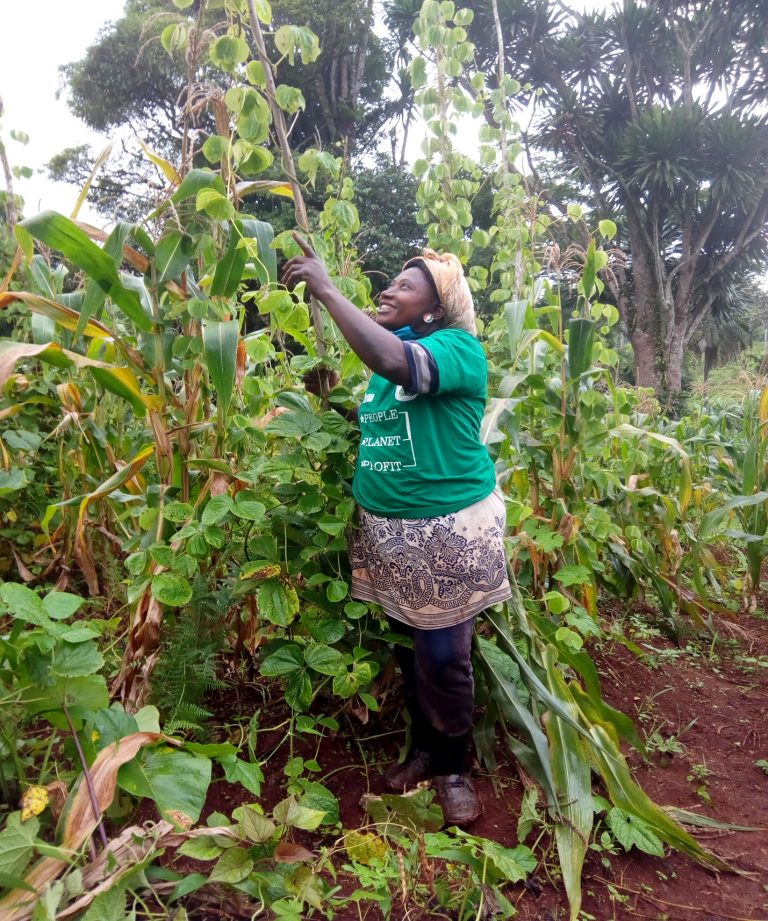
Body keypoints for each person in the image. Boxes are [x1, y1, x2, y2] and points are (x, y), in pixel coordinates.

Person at [282, 234, 511, 825]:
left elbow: (394, 361)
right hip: (391, 529)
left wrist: (327, 288)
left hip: (447, 527)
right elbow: (382, 403)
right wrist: (320, 400)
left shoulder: (458, 349)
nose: (389, 289)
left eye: (407, 286)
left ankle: (454, 766)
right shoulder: (386, 360)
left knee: (443, 655)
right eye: (392, 282)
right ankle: (422, 752)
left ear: (436, 308)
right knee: (413, 647)